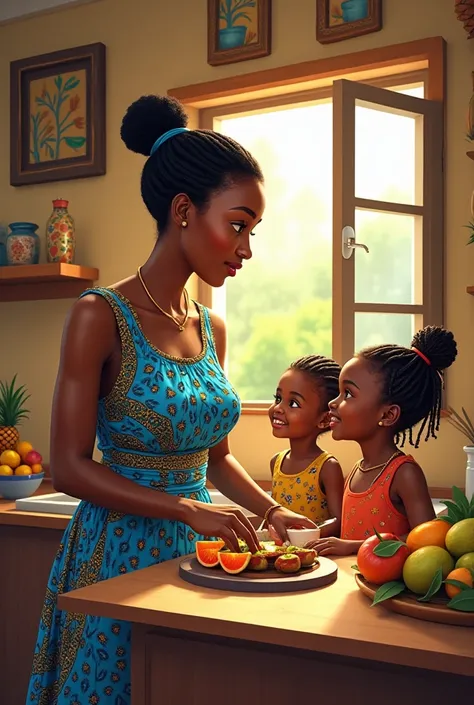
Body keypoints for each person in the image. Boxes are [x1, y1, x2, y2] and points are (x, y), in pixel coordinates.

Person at [25, 94, 316, 704]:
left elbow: (215, 460)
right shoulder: (98, 315)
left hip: (203, 555)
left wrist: (272, 514)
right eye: (237, 224)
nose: (245, 248)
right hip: (115, 555)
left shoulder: (213, 328)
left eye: (252, 231)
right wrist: (187, 509)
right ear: (184, 210)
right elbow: (70, 466)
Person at [307, 326, 457, 557]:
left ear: (387, 415)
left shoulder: (404, 474)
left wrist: (353, 547)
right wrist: (315, 532)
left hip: (384, 592)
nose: (333, 403)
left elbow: (428, 541)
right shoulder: (358, 469)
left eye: (347, 393)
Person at [269, 355, 344, 536]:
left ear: (324, 419)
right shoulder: (276, 462)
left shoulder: (327, 467)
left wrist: (302, 533)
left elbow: (339, 521)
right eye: (278, 398)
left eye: (293, 403)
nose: (278, 408)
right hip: (283, 556)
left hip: (316, 560)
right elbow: (274, 513)